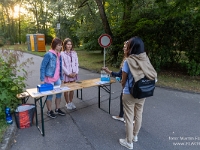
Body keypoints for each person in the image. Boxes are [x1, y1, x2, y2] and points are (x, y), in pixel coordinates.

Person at [119, 36, 157, 149]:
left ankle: (129, 142)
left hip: (129, 93)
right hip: (143, 91)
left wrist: (122, 85)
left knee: (129, 118)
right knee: (139, 114)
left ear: (131, 47)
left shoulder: (128, 61)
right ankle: (135, 136)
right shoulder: (145, 59)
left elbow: (124, 79)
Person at [102, 41, 129, 122]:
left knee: (126, 102)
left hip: (128, 86)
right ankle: (123, 116)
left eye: (125, 47)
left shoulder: (128, 60)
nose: (123, 48)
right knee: (124, 100)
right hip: (131, 86)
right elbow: (121, 74)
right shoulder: (134, 58)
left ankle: (128, 121)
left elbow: (120, 74)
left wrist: (108, 71)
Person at [40, 37, 66, 119]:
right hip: (49, 79)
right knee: (50, 96)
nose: (60, 47)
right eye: (59, 45)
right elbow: (43, 67)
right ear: (54, 45)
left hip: (57, 78)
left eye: (61, 45)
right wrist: (42, 79)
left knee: (59, 94)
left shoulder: (59, 55)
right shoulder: (48, 54)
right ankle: (49, 111)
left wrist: (61, 77)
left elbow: (60, 67)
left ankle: (57, 109)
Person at [61, 38, 79, 110]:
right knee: (66, 89)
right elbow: (62, 65)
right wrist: (68, 73)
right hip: (67, 74)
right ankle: (67, 103)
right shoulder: (62, 54)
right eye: (68, 44)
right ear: (65, 45)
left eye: (70, 44)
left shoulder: (74, 53)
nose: (69, 46)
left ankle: (71, 102)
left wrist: (76, 72)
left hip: (74, 73)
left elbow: (77, 63)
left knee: (72, 89)